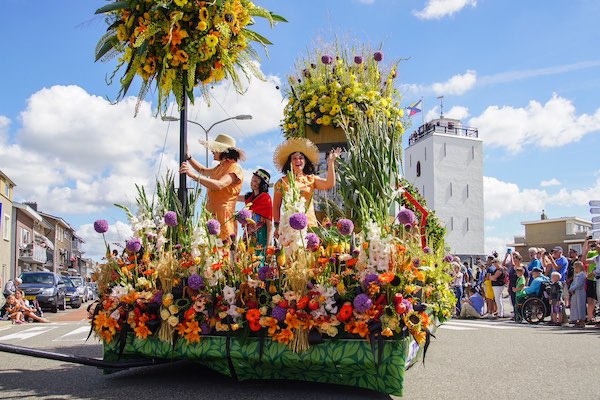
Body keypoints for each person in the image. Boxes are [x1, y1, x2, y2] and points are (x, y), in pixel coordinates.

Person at [180, 134, 245, 240]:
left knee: (223, 249)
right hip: (211, 214)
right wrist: (189, 158)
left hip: (224, 217)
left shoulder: (235, 168)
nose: (212, 151)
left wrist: (193, 175)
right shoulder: (220, 167)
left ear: (224, 151)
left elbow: (219, 185)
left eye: (215, 148)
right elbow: (203, 171)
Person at [272, 138, 342, 233]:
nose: (298, 161)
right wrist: (277, 227)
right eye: (294, 158)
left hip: (310, 226)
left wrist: (330, 163)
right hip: (289, 227)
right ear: (290, 162)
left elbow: (329, 184)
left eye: (301, 158)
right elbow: (276, 206)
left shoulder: (311, 179)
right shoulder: (281, 182)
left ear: (305, 161)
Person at [238, 168, 273, 251]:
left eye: (256, 181)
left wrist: (268, 246)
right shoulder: (249, 198)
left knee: (258, 260)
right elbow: (233, 197)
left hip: (260, 236)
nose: (252, 182)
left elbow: (269, 224)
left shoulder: (265, 198)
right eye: (252, 180)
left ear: (262, 184)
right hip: (248, 234)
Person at [581, 238, 598, 324]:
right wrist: (586, 246)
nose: (596, 246)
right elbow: (584, 261)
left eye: (597, 244)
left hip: (596, 278)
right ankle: (590, 318)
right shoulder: (594, 255)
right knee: (590, 299)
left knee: (596, 299)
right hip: (591, 279)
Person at [568, 261, 587, 328]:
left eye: (576, 267)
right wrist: (571, 289)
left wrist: (572, 288)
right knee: (575, 306)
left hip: (580, 291)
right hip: (574, 292)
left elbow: (579, 283)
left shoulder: (582, 274)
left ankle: (582, 320)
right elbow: (573, 283)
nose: (575, 268)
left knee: (580, 305)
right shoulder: (575, 275)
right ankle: (576, 320)